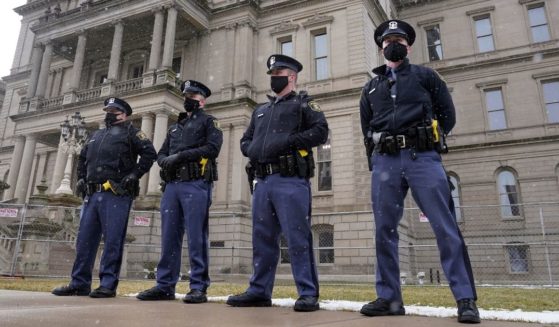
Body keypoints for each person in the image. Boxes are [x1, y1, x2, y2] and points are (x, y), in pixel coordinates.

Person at [359, 19, 480, 324]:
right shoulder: (371, 87)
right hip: (386, 162)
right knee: (384, 231)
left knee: (445, 227)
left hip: (422, 158)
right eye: (388, 41)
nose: (393, 44)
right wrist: (376, 161)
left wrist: (427, 140)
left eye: (399, 39)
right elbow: (366, 129)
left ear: (408, 46)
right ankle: (388, 298)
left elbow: (447, 116)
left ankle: (465, 298)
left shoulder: (427, 77)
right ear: (381, 47)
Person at [226, 54, 328, 312]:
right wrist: (254, 149)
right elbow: (245, 141)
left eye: (279, 73)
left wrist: (289, 142)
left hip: (290, 180)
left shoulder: (304, 104)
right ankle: (259, 291)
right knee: (262, 239)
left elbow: (320, 131)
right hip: (263, 181)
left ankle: (307, 293)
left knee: (297, 238)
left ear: (291, 76)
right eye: (272, 73)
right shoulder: (261, 110)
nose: (274, 77)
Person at [52, 97, 157, 298]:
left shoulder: (132, 133)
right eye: (107, 110)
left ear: (123, 114)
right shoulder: (96, 135)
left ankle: (108, 284)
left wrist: (134, 175)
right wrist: (81, 178)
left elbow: (149, 154)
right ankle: (79, 283)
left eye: (113, 110)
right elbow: (82, 158)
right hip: (92, 195)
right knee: (84, 241)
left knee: (113, 240)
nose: (109, 113)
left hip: (116, 194)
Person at [137, 80, 222, 304]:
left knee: (196, 237)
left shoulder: (209, 122)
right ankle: (165, 284)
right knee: (169, 237)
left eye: (192, 96)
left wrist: (182, 156)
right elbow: (161, 153)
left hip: (196, 183)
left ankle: (198, 287)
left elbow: (213, 148)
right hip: (172, 186)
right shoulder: (175, 127)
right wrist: (165, 160)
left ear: (202, 100)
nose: (187, 99)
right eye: (185, 95)